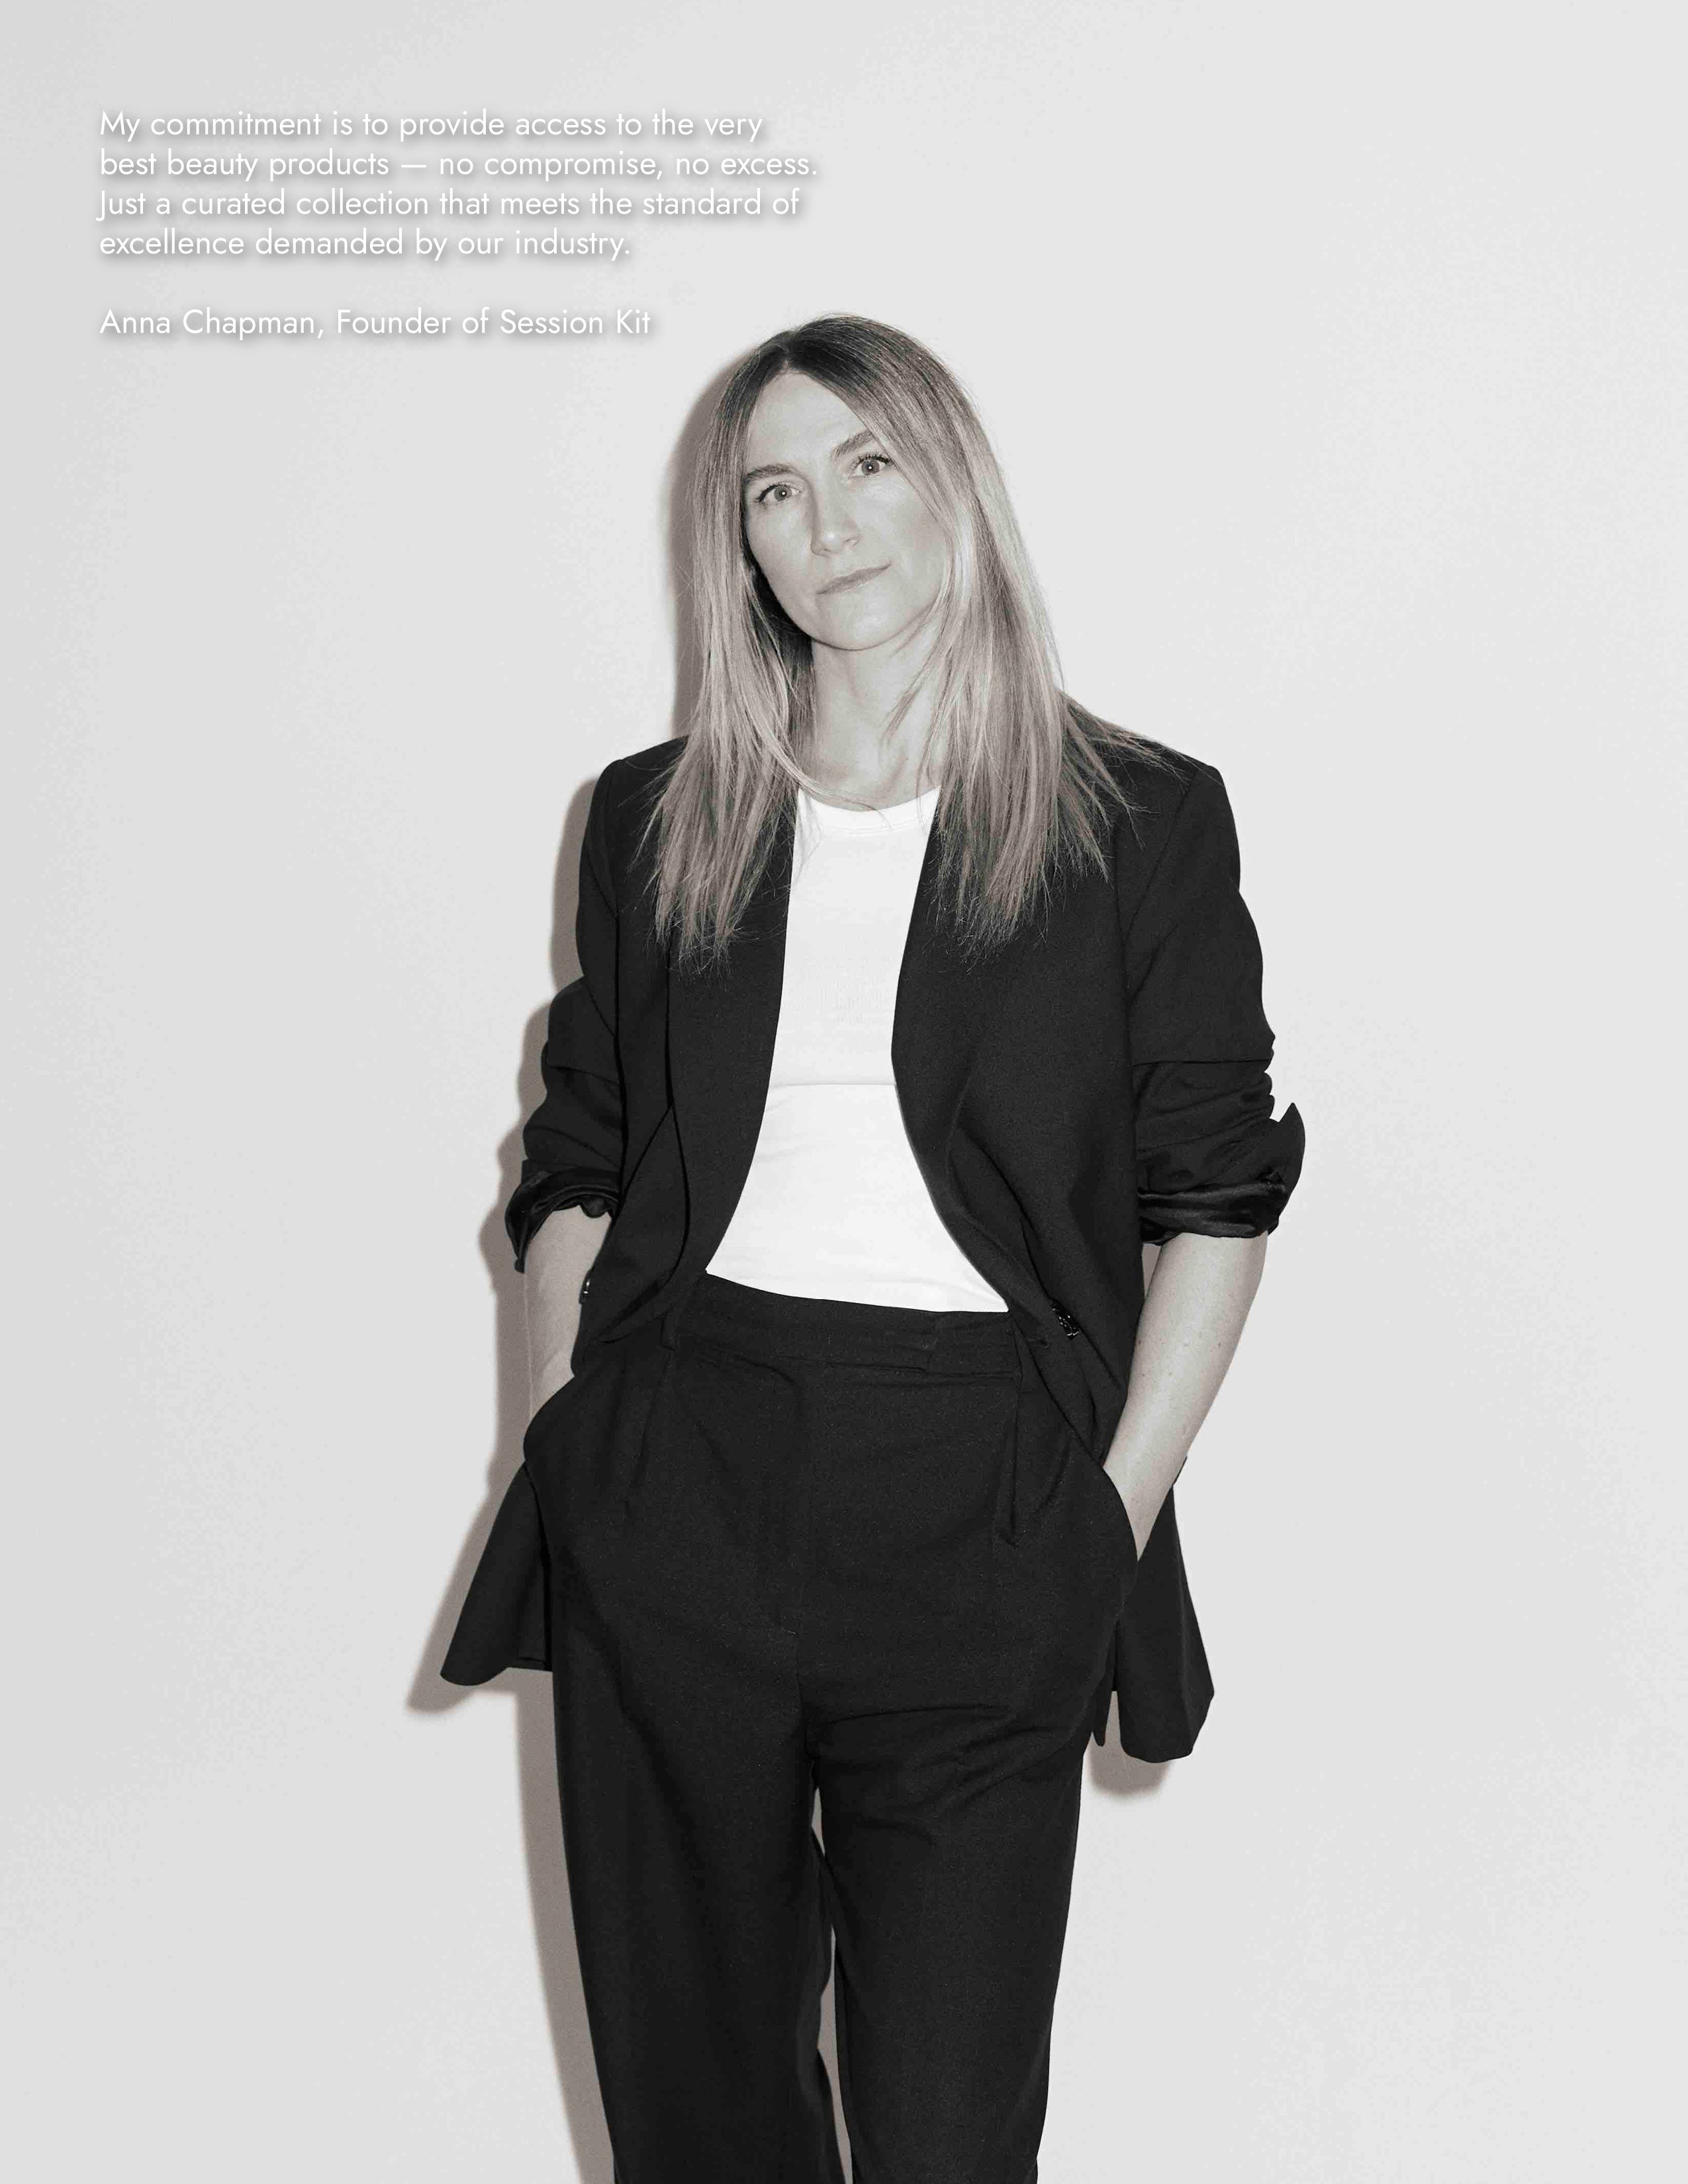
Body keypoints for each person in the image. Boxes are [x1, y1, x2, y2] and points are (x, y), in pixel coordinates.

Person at [442, 314, 1304, 2184]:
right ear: (738, 542)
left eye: (868, 463)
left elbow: (1217, 1199)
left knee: (946, 2132)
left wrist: (1101, 1525)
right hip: (679, 1479)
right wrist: (571, 1448)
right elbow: (578, 1161)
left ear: (952, 486)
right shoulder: (657, 819)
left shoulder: (1138, 822)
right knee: (702, 2124)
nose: (824, 524)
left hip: (985, 1500)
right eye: (774, 490)